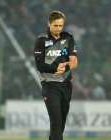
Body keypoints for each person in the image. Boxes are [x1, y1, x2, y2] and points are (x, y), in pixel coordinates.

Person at [34, 10, 78, 140]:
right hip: (50, 85)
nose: (58, 29)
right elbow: (39, 65)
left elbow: (74, 61)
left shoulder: (68, 38)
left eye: (61, 26)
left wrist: (67, 66)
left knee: (60, 125)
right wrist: (55, 68)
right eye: (55, 26)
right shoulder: (41, 40)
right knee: (56, 122)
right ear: (49, 24)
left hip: (66, 85)